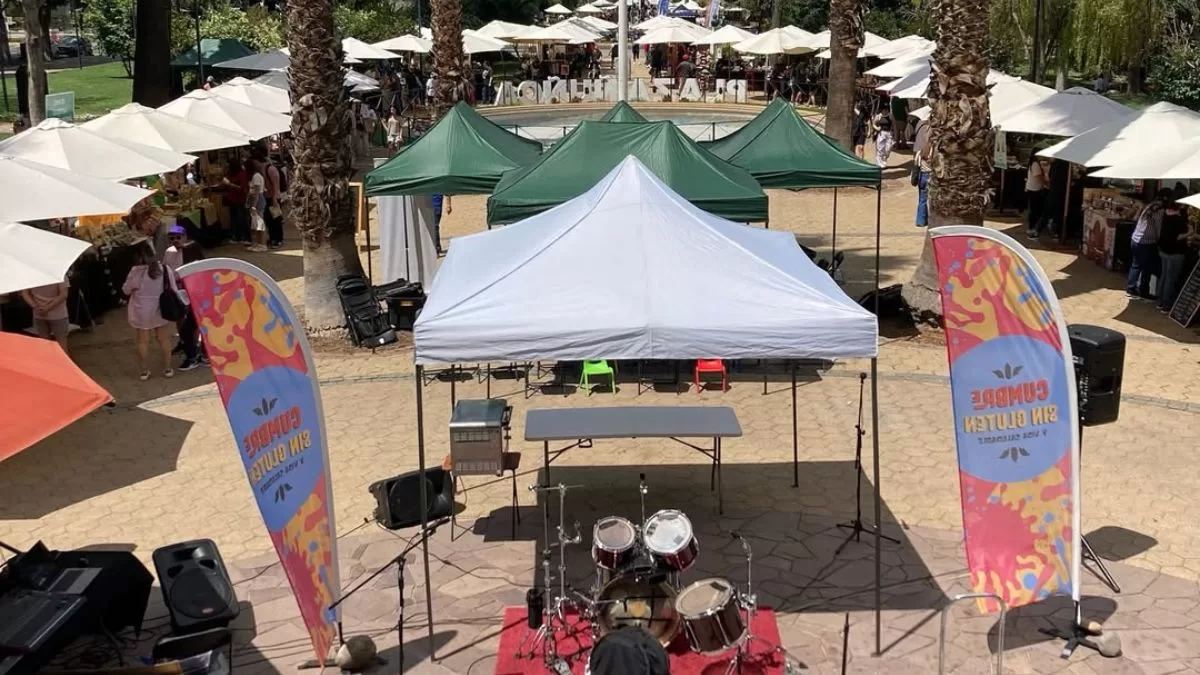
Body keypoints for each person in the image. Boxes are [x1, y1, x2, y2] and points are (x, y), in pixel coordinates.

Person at [122, 240, 178, 380]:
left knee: (143, 341)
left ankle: (144, 370)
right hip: (161, 308)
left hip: (141, 310)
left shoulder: (136, 271)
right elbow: (173, 288)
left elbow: (126, 290)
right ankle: (168, 368)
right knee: (163, 338)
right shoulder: (164, 269)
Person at [163, 224, 208, 369]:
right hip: (178, 291)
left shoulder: (192, 249)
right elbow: (167, 270)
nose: (175, 240)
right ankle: (188, 346)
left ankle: (198, 353)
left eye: (178, 237)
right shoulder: (169, 252)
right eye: (172, 238)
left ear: (184, 237)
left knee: (196, 323)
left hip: (194, 292)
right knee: (181, 319)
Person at [1127, 188, 1171, 300]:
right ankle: (1143, 291)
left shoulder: (1150, 205)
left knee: (1136, 264)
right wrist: (1159, 241)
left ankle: (1131, 288)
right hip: (1146, 242)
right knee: (1147, 267)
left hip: (1136, 238)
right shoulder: (1160, 211)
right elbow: (1158, 228)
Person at [1157, 198, 1191, 312]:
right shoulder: (1178, 219)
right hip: (1175, 252)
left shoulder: (1165, 214)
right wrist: (1190, 232)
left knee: (1164, 276)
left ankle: (1160, 302)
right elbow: (1179, 237)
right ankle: (1166, 305)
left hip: (1163, 250)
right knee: (1171, 279)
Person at [21, 281, 70, 354]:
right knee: (62, 347)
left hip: (38, 314)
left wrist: (35, 306)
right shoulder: (59, 275)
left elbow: (24, 293)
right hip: (58, 315)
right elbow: (63, 294)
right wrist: (47, 308)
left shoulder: (30, 276)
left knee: (44, 345)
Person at [245, 158, 268, 252]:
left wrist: (254, 206)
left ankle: (262, 244)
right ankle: (258, 243)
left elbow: (257, 192)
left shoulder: (256, 176)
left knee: (260, 223)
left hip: (258, 200)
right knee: (256, 223)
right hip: (254, 200)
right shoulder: (254, 176)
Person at [912, 117, 932, 227]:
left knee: (922, 199)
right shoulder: (932, 151)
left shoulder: (920, 152)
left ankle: (920, 220)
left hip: (922, 176)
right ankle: (930, 219)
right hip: (930, 175)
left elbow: (916, 163)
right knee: (931, 200)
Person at [1024, 157, 1050, 238]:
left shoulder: (1034, 163)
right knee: (1034, 210)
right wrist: (1046, 182)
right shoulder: (1035, 164)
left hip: (1033, 188)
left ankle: (1033, 226)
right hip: (1035, 189)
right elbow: (1038, 176)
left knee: (1035, 209)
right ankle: (1032, 227)